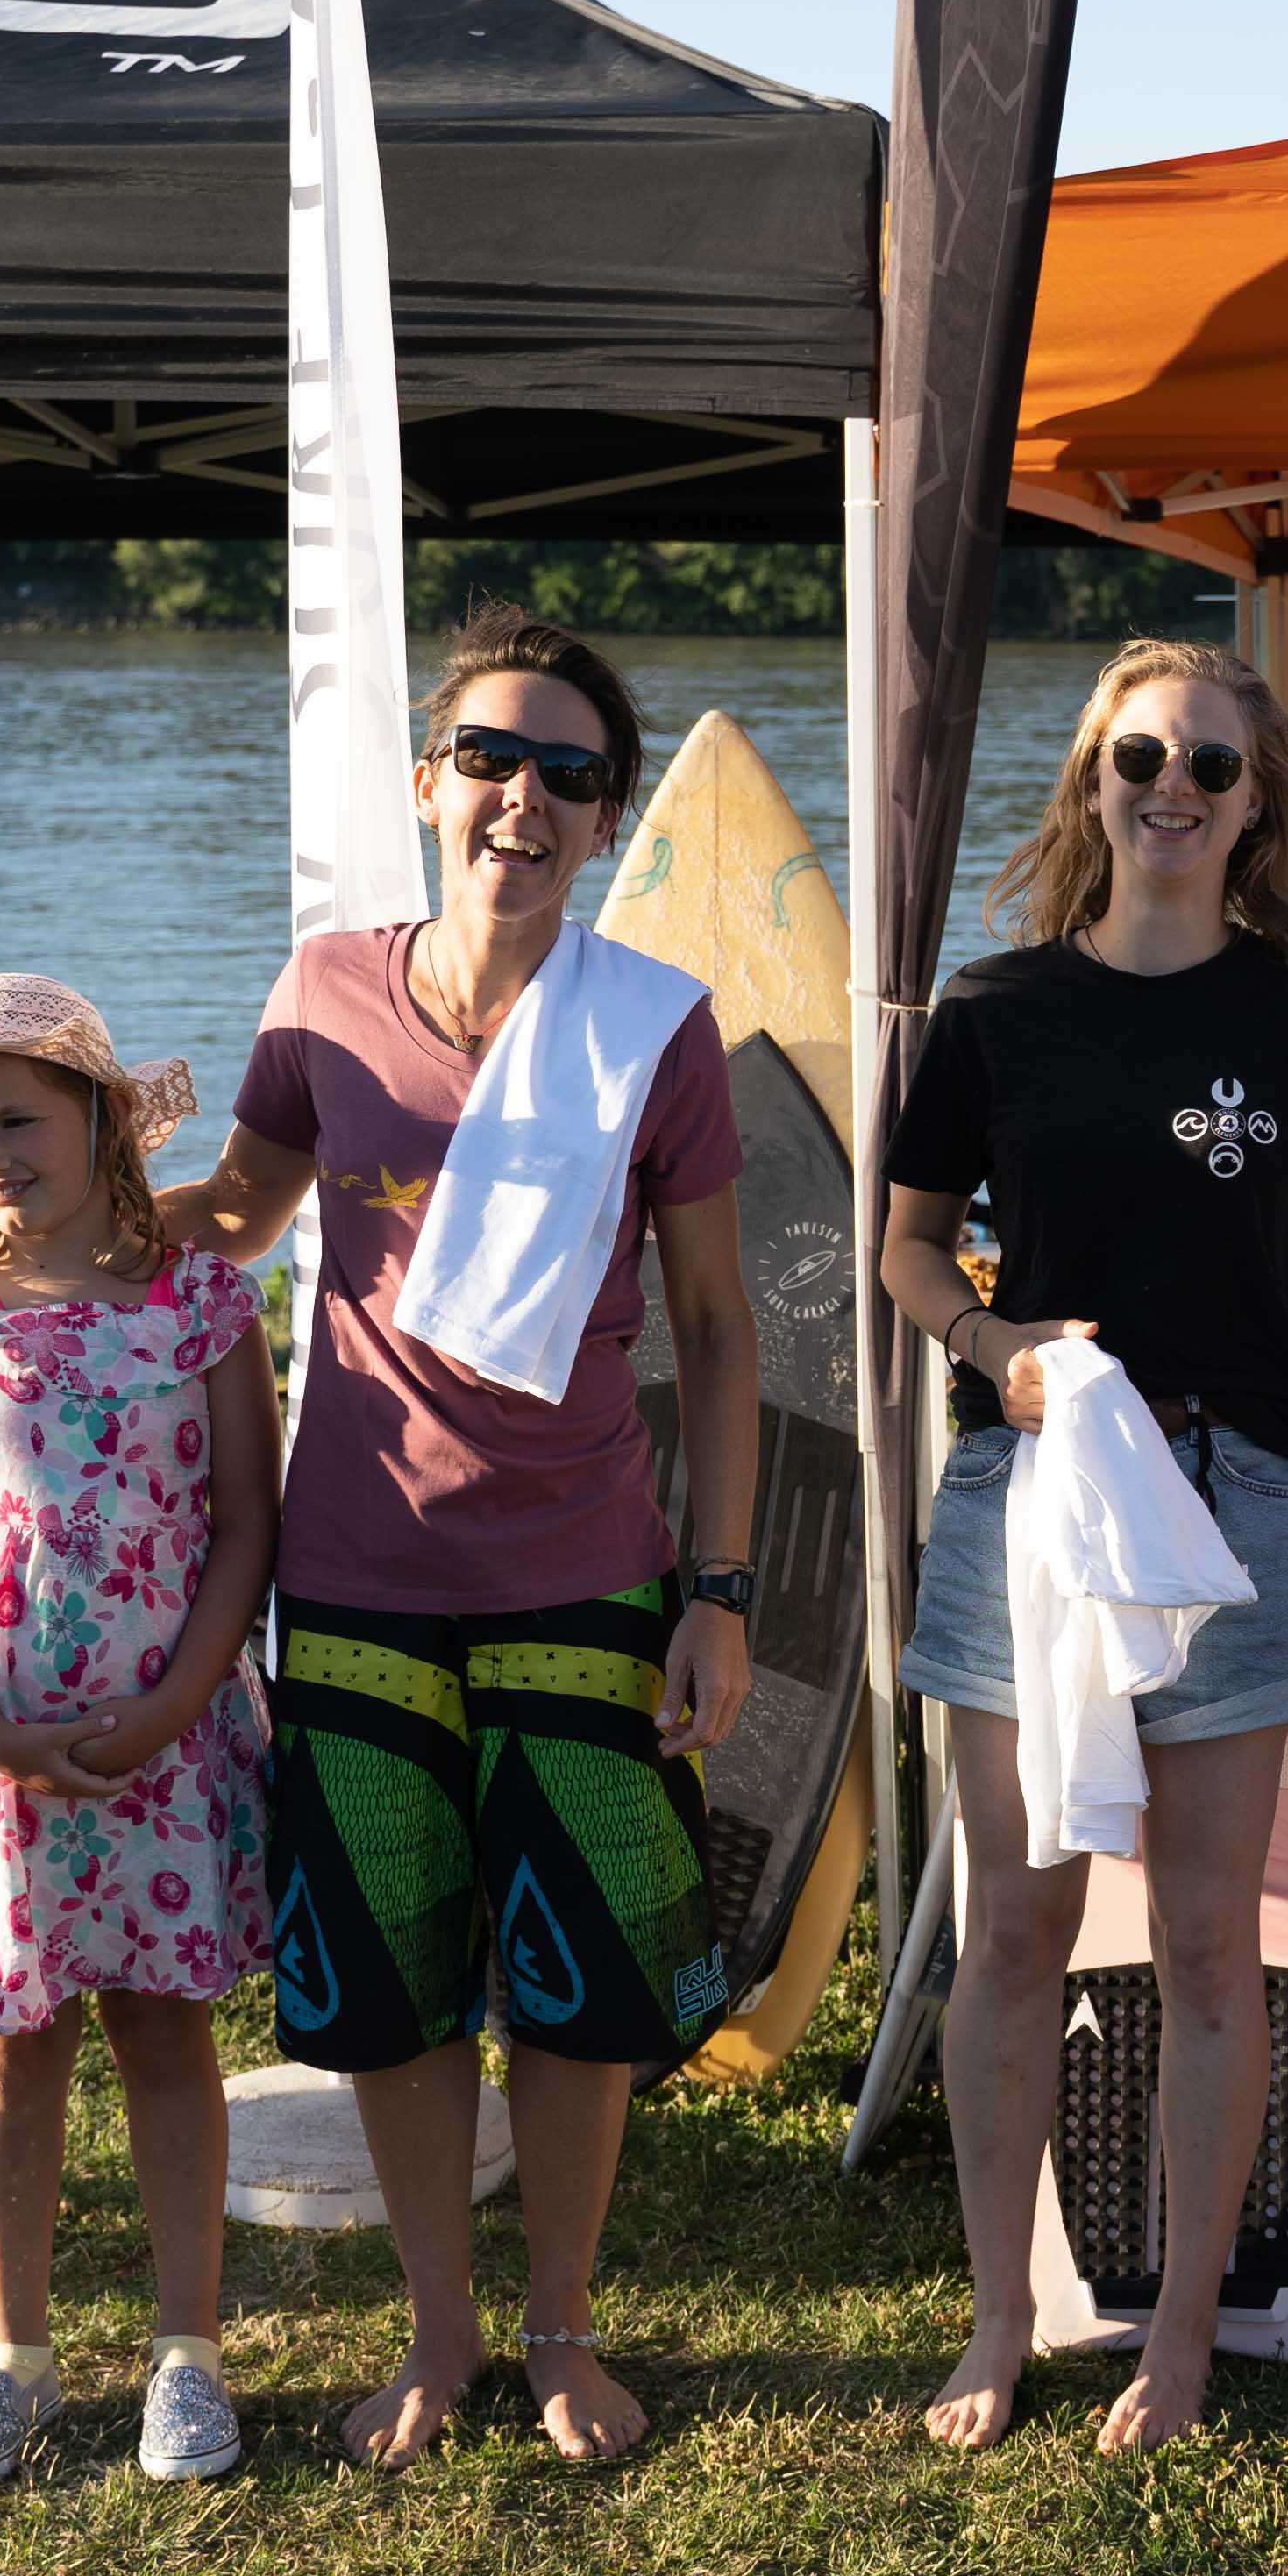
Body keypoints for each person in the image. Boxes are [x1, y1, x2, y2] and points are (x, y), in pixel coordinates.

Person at [154, 605, 758, 2473]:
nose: (523, 797)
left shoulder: (656, 1028)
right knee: (394, 1980)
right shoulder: (323, 993)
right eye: (490, 757)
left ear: (607, 819)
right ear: (429, 784)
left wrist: (722, 1592)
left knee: (580, 1992)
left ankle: (562, 2331)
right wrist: (10, 1235)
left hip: (585, 1571)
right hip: (355, 1574)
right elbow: (236, 1215)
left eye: (568, 772)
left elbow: (721, 1326)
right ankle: (441, 2331)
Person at [879, 640, 1288, 2457]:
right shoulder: (994, 1008)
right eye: (1139, 757)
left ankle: (1180, 2339)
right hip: (1029, 1499)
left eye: (1209, 762)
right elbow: (906, 1250)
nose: (1171, 786)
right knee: (1018, 1926)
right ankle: (998, 2317)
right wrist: (993, 1346)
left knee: (1207, 1944)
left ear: (1256, 800)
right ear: (1093, 782)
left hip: (1244, 1499)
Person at [0, 977, 279, 2492]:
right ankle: (13, 2358)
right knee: (15, 2051)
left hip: (167, 1736)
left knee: (165, 2037)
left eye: (17, 1120)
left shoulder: (202, 1301)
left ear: (101, 1122)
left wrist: (174, 1706)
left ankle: (187, 2352)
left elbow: (247, 1523)